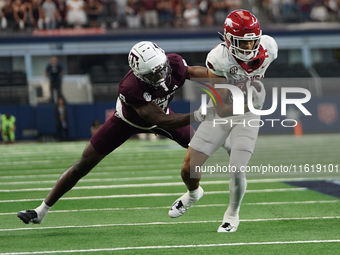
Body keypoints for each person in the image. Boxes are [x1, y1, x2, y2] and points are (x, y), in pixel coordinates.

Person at [17, 41, 211, 224]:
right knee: (83, 164)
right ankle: (40, 211)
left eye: (161, 69)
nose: (160, 77)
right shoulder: (130, 87)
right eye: (153, 75)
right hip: (127, 121)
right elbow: (160, 121)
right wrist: (200, 114)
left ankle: (193, 193)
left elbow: (194, 72)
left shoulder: (174, 63)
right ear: (139, 74)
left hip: (162, 113)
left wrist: (226, 81)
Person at [168, 9, 278, 233]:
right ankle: (193, 194)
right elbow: (222, 106)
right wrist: (252, 102)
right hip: (224, 110)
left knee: (237, 169)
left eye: (252, 42)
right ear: (228, 40)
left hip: (248, 115)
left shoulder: (269, 47)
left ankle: (232, 214)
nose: (249, 48)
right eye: (242, 43)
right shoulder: (218, 58)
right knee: (188, 169)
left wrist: (252, 105)